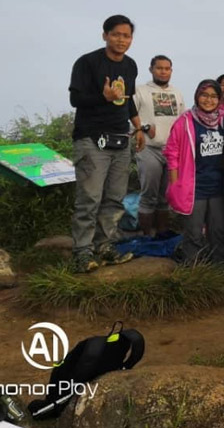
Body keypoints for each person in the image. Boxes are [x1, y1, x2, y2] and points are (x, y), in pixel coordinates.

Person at [68, 14, 141, 273]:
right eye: (116, 34)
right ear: (105, 35)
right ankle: (82, 252)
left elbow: (128, 98)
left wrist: (138, 126)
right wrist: (104, 97)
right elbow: (75, 99)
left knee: (115, 198)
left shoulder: (130, 65)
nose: (122, 40)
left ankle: (105, 246)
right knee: (89, 198)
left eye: (126, 35)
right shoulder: (87, 63)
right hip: (91, 138)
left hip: (121, 138)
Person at [163, 80, 224, 265]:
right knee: (194, 232)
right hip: (193, 187)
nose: (208, 100)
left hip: (218, 187)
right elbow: (172, 152)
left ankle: (220, 271)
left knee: (217, 231)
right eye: (204, 95)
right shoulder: (185, 121)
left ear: (219, 99)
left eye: (213, 96)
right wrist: (175, 184)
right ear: (197, 96)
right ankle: (194, 271)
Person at [133, 55, 186, 236]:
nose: (163, 71)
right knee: (149, 195)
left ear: (171, 71)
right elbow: (129, 115)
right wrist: (145, 127)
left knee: (165, 197)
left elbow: (182, 120)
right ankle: (146, 236)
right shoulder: (140, 91)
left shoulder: (177, 93)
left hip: (171, 151)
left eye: (167, 68)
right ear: (151, 69)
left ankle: (162, 234)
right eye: (159, 68)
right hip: (148, 149)